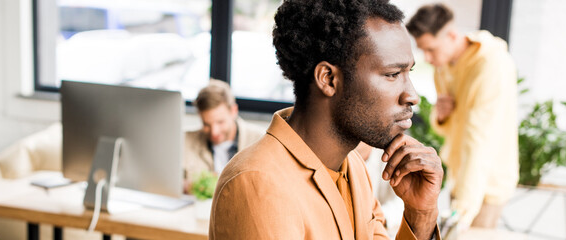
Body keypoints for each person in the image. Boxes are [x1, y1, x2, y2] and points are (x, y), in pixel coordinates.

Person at [209, 0, 443, 239]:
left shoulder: (354, 169)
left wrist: (420, 214)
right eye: (393, 74)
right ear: (329, 79)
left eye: (408, 72)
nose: (412, 96)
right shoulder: (258, 183)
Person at [406, 3, 519, 232]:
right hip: (461, 176)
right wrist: (441, 117)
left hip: (486, 183)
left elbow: (479, 140)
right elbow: (448, 129)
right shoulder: (443, 67)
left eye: (431, 49)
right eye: (422, 50)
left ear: (452, 35)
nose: (427, 58)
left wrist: (464, 207)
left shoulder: (490, 65)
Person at [184, 79, 264, 181]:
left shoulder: (261, 141)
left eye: (220, 122)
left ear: (233, 111)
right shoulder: (185, 141)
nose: (214, 132)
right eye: (206, 124)